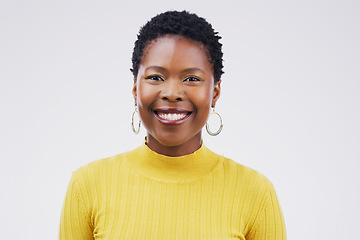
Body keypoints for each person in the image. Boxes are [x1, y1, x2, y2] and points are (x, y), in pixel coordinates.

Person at [59, 10, 286, 239]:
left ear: (214, 93)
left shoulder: (256, 193)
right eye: (156, 77)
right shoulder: (86, 186)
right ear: (136, 89)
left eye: (192, 79)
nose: (172, 93)